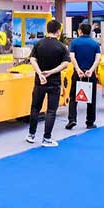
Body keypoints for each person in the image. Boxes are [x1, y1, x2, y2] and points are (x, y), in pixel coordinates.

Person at [26, 19, 70, 147]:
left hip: (39, 82)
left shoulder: (39, 44)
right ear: (58, 31)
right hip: (54, 82)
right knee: (51, 110)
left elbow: (32, 59)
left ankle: (31, 135)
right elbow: (65, 64)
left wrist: (40, 73)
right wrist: (51, 72)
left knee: (35, 108)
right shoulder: (61, 47)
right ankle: (46, 138)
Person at [66, 22, 101, 130]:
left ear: (80, 31)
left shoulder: (74, 42)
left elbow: (72, 57)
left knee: (73, 97)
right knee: (91, 98)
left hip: (78, 74)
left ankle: (72, 119)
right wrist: (91, 70)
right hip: (90, 74)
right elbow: (98, 58)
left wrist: (78, 70)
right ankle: (90, 122)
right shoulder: (95, 44)